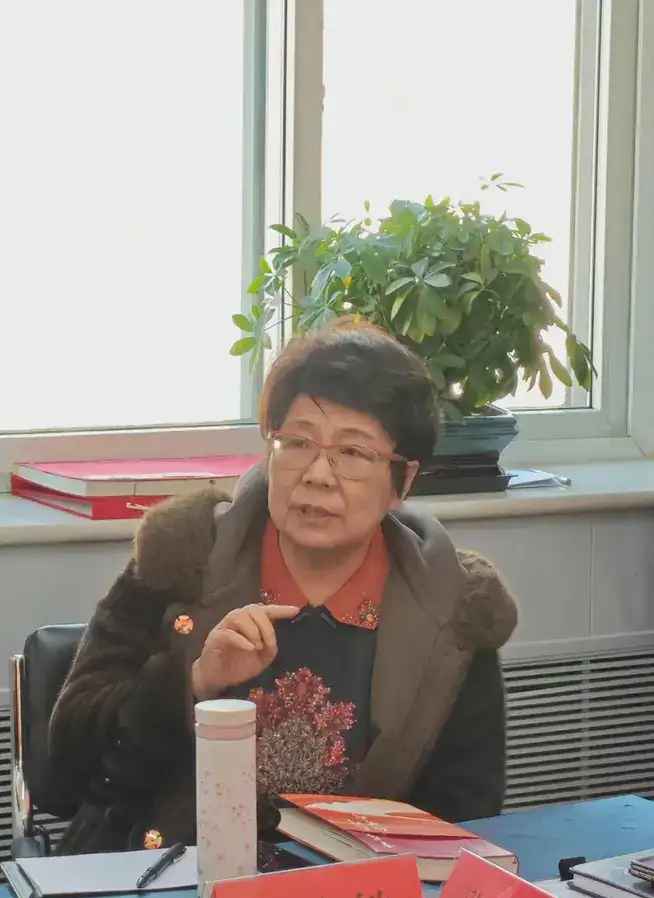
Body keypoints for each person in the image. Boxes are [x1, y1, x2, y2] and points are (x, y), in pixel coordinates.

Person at [49, 317, 517, 854]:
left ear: (402, 481)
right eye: (297, 442)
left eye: (353, 452)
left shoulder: (452, 614)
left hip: (351, 891)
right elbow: (70, 762)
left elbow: (463, 818)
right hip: (159, 876)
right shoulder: (182, 560)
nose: (318, 474)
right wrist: (192, 681)